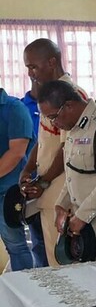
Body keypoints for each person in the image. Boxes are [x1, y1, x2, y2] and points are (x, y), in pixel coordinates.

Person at [38, 80, 96, 261]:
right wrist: (61, 204)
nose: (53, 124)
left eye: (53, 117)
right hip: (81, 225)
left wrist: (83, 217)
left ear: (68, 105)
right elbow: (72, 174)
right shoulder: (74, 128)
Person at [19, 38, 87, 267]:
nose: (30, 73)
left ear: (51, 62)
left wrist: (44, 181)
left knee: (65, 263)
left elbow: (67, 146)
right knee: (52, 260)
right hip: (48, 192)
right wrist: (29, 169)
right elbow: (45, 140)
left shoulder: (71, 95)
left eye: (33, 66)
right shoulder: (48, 96)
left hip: (63, 193)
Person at [0, 88, 35, 270]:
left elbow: (16, 153)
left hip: (8, 192)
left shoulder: (14, 108)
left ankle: (26, 292)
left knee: (16, 245)